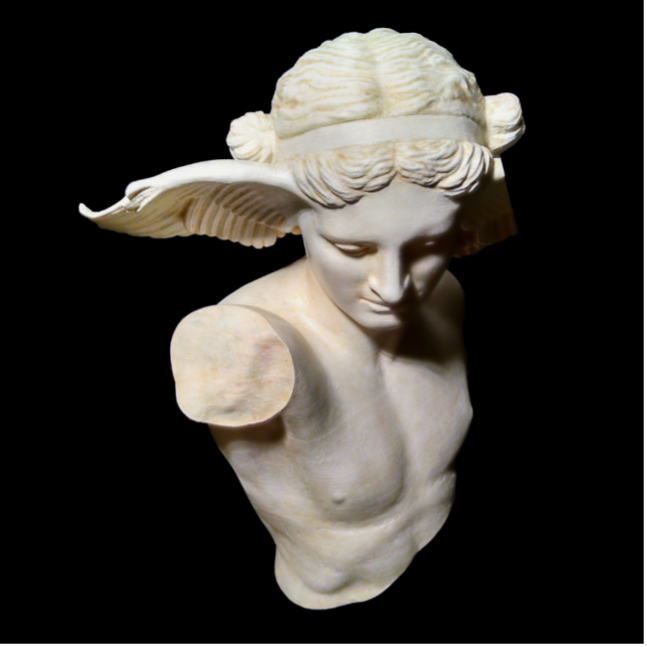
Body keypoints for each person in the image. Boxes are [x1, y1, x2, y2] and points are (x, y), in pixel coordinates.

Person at [79, 28, 524, 609]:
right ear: (287, 212)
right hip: (331, 598)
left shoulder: (445, 295)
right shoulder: (238, 343)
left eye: (428, 244)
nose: (394, 287)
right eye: (353, 248)